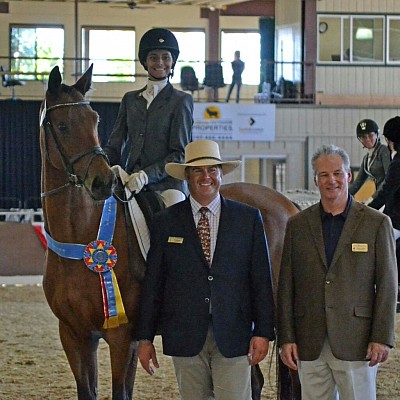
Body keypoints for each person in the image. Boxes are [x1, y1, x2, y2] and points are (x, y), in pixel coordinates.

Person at [136, 139, 275, 400]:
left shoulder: (248, 219)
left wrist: (264, 332)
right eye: (198, 171)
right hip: (185, 335)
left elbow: (261, 280)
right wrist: (144, 338)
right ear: (187, 176)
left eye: (212, 170)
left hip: (235, 333)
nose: (206, 176)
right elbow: (154, 282)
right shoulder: (165, 222)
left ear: (221, 174)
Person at [277, 144, 397, 400]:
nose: (331, 180)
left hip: (358, 341)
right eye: (324, 175)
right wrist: (286, 337)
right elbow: (287, 285)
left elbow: (387, 284)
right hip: (310, 341)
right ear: (315, 180)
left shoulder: (376, 223)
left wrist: (382, 337)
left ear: (348, 176)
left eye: (337, 173)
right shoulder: (297, 225)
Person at [103, 28, 193, 207]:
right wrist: (102, 163)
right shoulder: (129, 99)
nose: (160, 62)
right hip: (129, 179)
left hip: (166, 185)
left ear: (172, 61)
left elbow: (180, 153)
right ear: (145, 61)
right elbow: (115, 145)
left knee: (176, 215)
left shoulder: (181, 100)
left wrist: (146, 175)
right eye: (153, 57)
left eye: (165, 57)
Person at [368, 116, 400, 300]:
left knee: (378, 243)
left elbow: (386, 193)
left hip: (397, 220)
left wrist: (367, 210)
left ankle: (387, 289)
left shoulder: (397, 163)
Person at [349, 118, 390, 203]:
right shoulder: (366, 158)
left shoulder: (384, 151)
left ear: (376, 135)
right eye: (364, 137)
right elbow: (357, 183)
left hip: (389, 196)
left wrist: (372, 198)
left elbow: (388, 178)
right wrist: (343, 196)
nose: (367, 139)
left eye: (370, 135)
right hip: (380, 196)